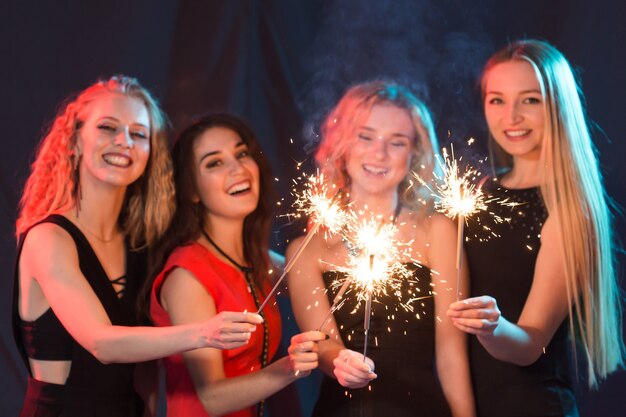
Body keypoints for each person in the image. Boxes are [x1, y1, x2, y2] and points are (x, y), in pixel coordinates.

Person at [12, 76, 263, 417]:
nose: (123, 142)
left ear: (150, 152)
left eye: (138, 134)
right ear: (74, 142)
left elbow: (144, 373)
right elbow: (101, 342)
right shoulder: (49, 238)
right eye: (108, 127)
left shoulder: (141, 246)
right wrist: (204, 332)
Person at [447, 39, 625, 416]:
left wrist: (490, 326)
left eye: (530, 100)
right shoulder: (479, 191)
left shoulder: (571, 209)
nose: (511, 117)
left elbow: (529, 345)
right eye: (497, 100)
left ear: (558, 105)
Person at [287, 81, 475, 417]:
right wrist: (340, 362)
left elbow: (451, 355)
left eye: (397, 142)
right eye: (366, 136)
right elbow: (323, 345)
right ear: (342, 143)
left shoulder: (438, 232)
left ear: (414, 153)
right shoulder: (306, 251)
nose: (379, 153)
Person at [148, 113, 325, 417]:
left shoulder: (257, 259)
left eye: (242, 153)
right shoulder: (186, 276)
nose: (237, 168)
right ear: (191, 189)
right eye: (214, 163)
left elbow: (316, 277)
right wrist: (291, 366)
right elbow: (212, 397)